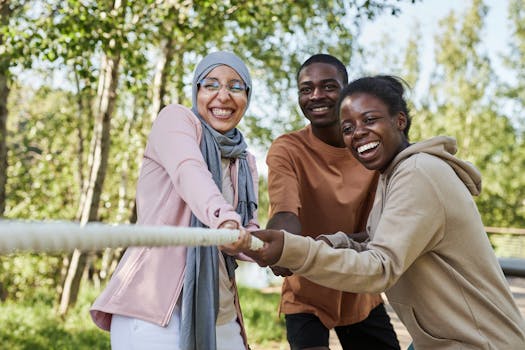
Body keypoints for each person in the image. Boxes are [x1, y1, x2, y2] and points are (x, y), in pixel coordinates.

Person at [248, 75, 525, 349]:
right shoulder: (390, 175)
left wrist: (291, 250)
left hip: (481, 342)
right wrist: (332, 242)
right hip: (442, 340)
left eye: (369, 120)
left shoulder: (417, 173)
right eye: (347, 127)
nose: (357, 132)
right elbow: (377, 240)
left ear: (399, 121)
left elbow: (380, 268)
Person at [90, 51, 259, 350]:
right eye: (211, 85)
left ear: (247, 96)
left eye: (235, 87)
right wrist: (225, 219)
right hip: (151, 311)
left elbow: (247, 234)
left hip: (220, 312)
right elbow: (189, 172)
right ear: (196, 91)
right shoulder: (176, 120)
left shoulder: (245, 161)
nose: (223, 96)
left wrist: (280, 250)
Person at [266, 54, 399, 350]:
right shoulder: (288, 148)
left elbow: (382, 229)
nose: (316, 95)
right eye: (306, 89)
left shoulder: (370, 147)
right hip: (305, 291)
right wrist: (281, 244)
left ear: (346, 91)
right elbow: (285, 209)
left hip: (359, 286)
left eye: (328, 86)